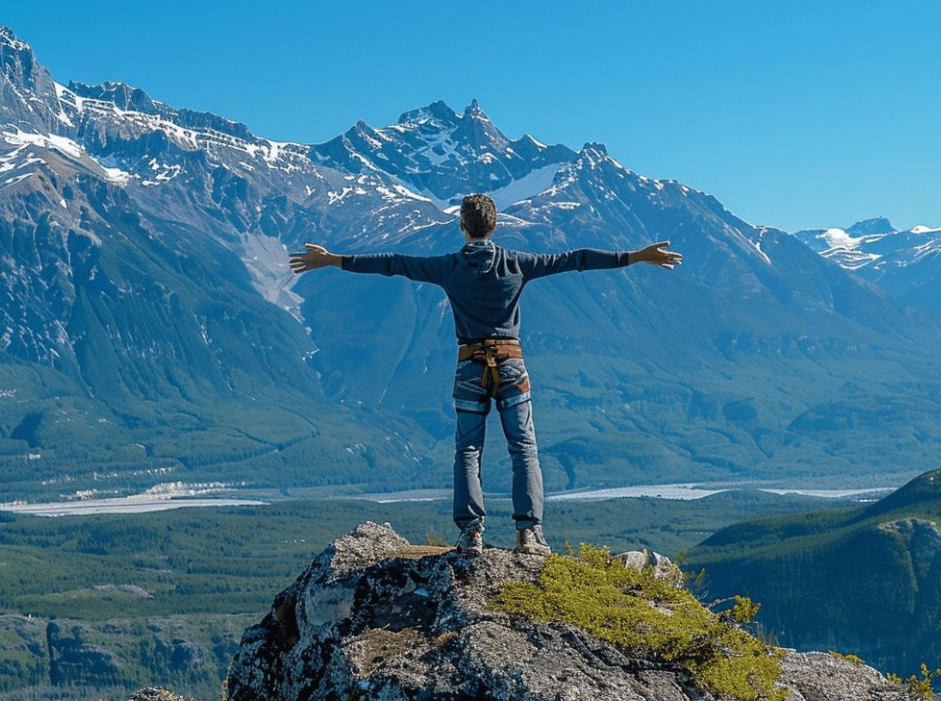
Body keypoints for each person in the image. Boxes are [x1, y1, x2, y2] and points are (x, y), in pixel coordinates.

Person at [289, 193, 682, 555]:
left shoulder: (448, 266)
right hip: (511, 365)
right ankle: (528, 534)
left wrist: (333, 259)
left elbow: (393, 264)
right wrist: (635, 256)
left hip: (469, 367)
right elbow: (575, 259)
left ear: (463, 225)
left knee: (468, 450)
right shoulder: (517, 263)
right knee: (523, 449)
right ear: (495, 227)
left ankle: (470, 533)